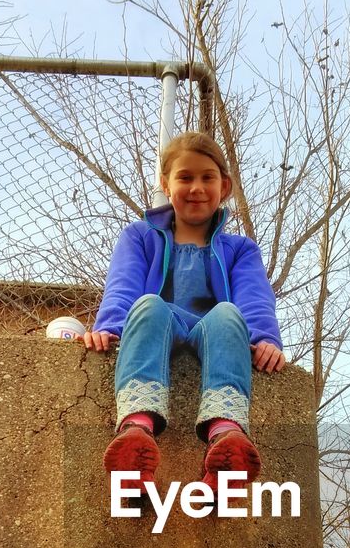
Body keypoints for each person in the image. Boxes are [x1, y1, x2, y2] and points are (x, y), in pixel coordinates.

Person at [80, 132, 285, 493]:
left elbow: (253, 295)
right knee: (146, 305)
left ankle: (227, 440)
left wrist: (264, 338)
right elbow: (124, 284)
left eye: (207, 178)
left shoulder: (240, 249)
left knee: (228, 314)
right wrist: (110, 327)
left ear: (224, 187)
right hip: (161, 324)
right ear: (166, 184)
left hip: (212, 330)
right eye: (185, 177)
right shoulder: (141, 236)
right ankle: (136, 432)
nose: (196, 187)